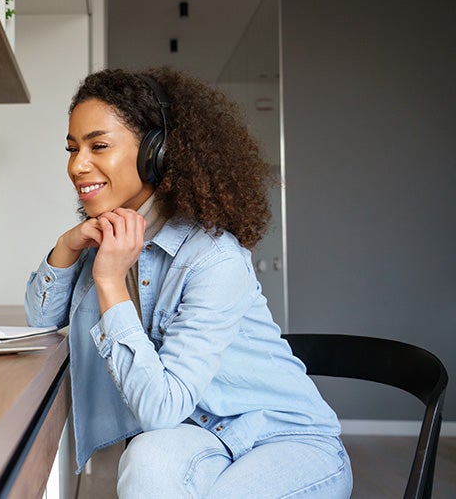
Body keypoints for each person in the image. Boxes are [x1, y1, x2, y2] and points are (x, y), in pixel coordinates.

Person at [24, 67, 352, 497]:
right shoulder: (110, 237)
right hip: (200, 435)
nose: (77, 165)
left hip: (285, 439)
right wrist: (66, 246)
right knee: (146, 459)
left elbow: (160, 407)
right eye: (72, 149)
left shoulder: (213, 259)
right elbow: (41, 317)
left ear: (155, 152)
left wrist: (109, 281)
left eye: (98, 146)